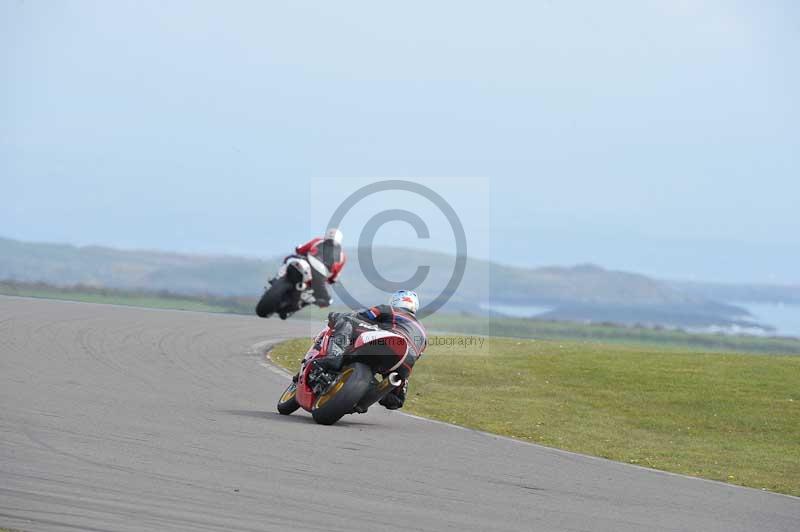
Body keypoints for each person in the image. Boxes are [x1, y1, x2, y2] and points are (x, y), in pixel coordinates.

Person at [313, 290, 426, 410]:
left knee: (346, 321)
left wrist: (336, 316)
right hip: (405, 362)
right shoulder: (423, 332)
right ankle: (376, 394)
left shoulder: (388, 309)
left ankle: (334, 357)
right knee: (394, 401)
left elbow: (360, 316)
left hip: (387, 343)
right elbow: (417, 354)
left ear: (395, 301)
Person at [281, 228, 346, 317]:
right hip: (319, 278)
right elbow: (334, 277)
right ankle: (304, 301)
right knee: (327, 301)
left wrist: (299, 249)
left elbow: (301, 250)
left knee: (290, 259)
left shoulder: (318, 241)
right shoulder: (342, 256)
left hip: (306, 266)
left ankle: (280, 277)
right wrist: (330, 280)